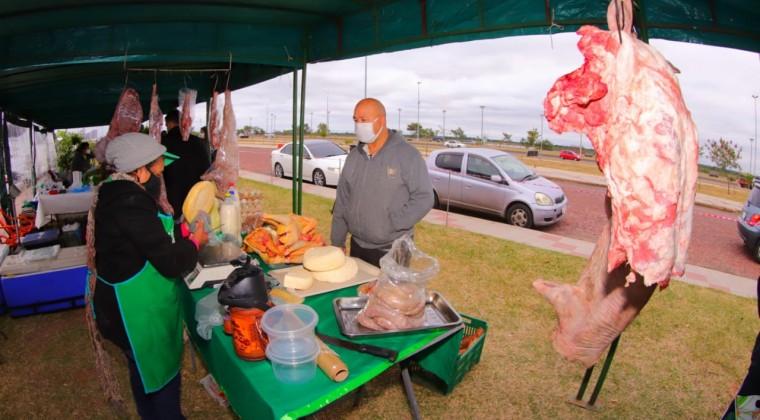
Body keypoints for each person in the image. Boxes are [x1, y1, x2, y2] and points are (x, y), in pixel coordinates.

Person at [85, 132, 208, 419]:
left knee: (141, 371)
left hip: (123, 306)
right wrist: (194, 242)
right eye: (157, 170)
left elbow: (152, 237)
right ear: (139, 171)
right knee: (161, 376)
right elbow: (169, 262)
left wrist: (183, 233)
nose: (160, 177)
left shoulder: (114, 192)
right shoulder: (130, 203)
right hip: (135, 313)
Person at [330, 98, 433, 267]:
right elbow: (342, 201)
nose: (358, 125)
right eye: (355, 120)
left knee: (388, 294)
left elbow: (424, 198)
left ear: (381, 121)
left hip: (393, 249)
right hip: (357, 246)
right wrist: (337, 242)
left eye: (364, 120)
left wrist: (392, 224)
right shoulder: (354, 156)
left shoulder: (408, 155)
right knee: (360, 292)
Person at [161, 109, 211, 220]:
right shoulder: (197, 142)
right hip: (197, 201)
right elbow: (207, 170)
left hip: (174, 203)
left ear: (170, 123)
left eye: (166, 124)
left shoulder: (164, 142)